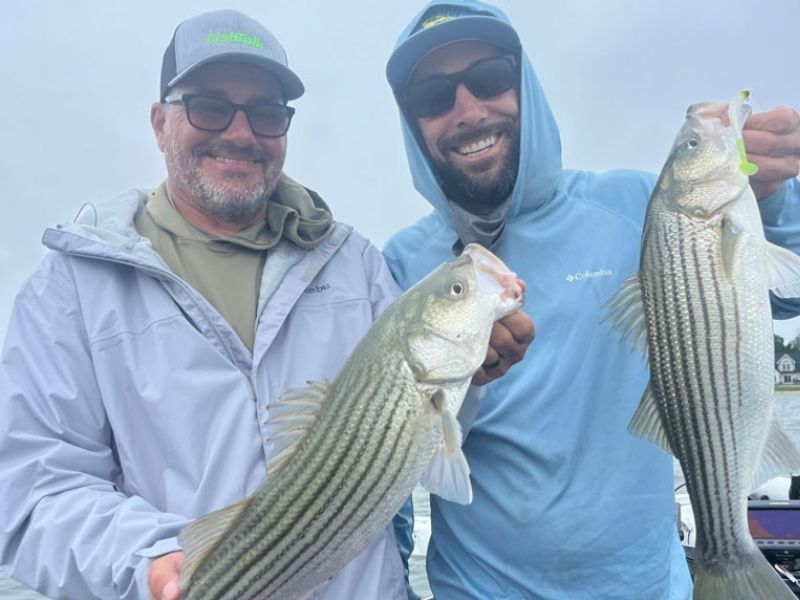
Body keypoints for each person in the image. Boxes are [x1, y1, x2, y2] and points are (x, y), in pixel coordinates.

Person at [0, 9, 528, 600]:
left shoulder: (355, 263)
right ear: (159, 122)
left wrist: (475, 370)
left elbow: (414, 437)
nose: (241, 132)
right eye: (209, 106)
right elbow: (31, 489)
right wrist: (153, 562)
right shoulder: (71, 286)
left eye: (267, 112)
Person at [383, 1, 800, 598]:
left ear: (524, 86)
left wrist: (772, 201)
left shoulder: (637, 206)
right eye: (433, 97)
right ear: (412, 121)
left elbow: (784, 304)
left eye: (490, 79)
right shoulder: (399, 265)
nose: (468, 109)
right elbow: (385, 460)